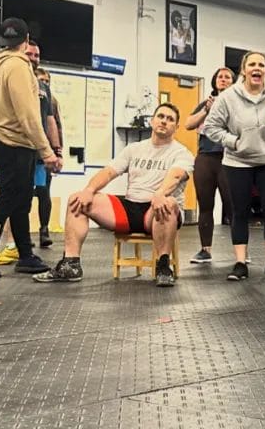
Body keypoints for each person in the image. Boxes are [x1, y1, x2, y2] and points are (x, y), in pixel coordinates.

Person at [34, 104, 193, 287]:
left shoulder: (182, 153)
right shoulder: (135, 149)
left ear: (176, 127)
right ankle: (70, 264)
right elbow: (109, 172)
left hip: (156, 211)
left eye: (170, 119)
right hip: (130, 207)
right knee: (76, 200)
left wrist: (160, 193)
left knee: (168, 203)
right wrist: (89, 190)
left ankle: (163, 266)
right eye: (161, 116)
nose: (164, 121)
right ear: (152, 120)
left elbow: (176, 175)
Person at [0, 19, 61, 278]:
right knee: (6, 202)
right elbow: (29, 115)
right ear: (25, 42)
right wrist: (47, 151)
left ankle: (25, 255)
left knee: (20, 202)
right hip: (16, 144)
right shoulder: (19, 67)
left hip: (5, 141)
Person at [202, 51, 265, 282]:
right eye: (252, 64)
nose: (257, 68)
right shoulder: (227, 98)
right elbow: (211, 127)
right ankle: (240, 263)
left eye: (261, 65)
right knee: (240, 212)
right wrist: (233, 141)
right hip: (237, 161)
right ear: (243, 70)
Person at [185, 67, 235, 264]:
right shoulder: (206, 102)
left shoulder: (238, 103)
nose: (223, 80)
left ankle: (241, 250)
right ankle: (205, 250)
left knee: (233, 205)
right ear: (215, 81)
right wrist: (206, 110)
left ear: (233, 82)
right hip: (206, 157)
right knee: (205, 204)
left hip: (228, 157)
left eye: (227, 77)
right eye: (220, 77)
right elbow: (189, 124)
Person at [34, 67, 64, 248]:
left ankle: (44, 229)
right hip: (28, 151)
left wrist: (58, 153)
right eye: (42, 80)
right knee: (24, 195)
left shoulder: (52, 101)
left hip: (45, 155)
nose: (44, 84)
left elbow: (57, 127)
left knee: (44, 192)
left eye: (47, 81)